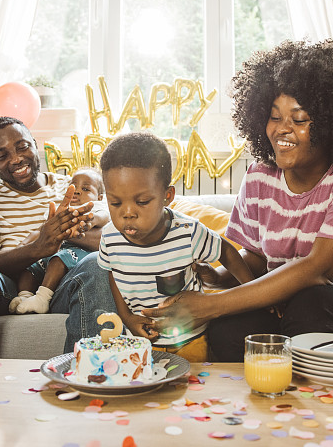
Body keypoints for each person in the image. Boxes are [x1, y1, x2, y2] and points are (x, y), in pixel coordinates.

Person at [142, 39, 333, 361]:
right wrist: (216, 277)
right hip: (297, 297)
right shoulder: (261, 174)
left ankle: (318, 410)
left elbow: (320, 268)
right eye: (274, 117)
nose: (281, 130)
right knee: (231, 329)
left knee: (312, 302)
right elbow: (258, 261)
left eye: (299, 119)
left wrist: (211, 306)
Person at [0, 117, 116, 356]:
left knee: (97, 263)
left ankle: (92, 377)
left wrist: (59, 234)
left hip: (65, 282)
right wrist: (39, 246)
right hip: (10, 288)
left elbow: (107, 241)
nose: (16, 159)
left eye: (22, 147)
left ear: (34, 143)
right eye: (2, 155)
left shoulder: (72, 187)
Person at [98, 132, 254, 362]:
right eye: (115, 203)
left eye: (142, 202)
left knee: (190, 393)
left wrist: (250, 290)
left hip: (190, 340)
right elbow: (114, 273)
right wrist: (127, 318)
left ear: (167, 196)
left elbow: (227, 252)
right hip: (141, 343)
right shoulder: (110, 237)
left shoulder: (188, 232)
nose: (127, 213)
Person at [8, 167, 109, 314]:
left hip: (77, 252)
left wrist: (90, 220)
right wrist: (25, 245)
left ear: (99, 197)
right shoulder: (60, 208)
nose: (78, 191)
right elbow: (42, 230)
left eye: (86, 189)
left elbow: (103, 217)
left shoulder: (95, 207)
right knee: (31, 267)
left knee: (59, 259)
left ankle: (42, 298)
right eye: (74, 186)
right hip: (54, 248)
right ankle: (24, 296)